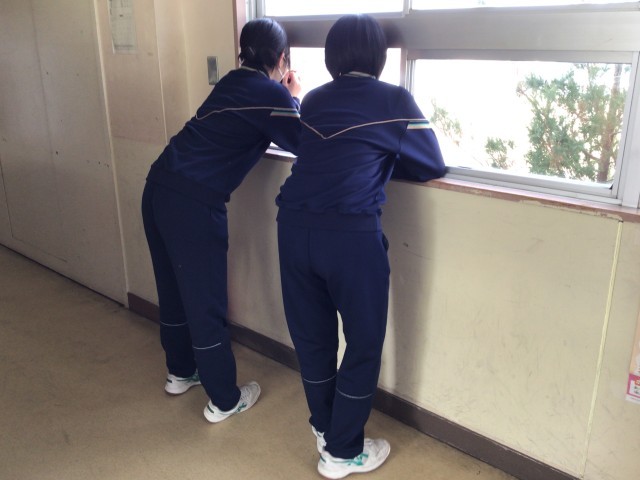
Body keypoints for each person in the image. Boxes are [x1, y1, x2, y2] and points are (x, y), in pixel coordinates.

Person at [276, 14, 445, 479]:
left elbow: (310, 149)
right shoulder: (394, 100)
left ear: (332, 57)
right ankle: (343, 451)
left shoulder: (313, 99)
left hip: (292, 226)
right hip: (350, 236)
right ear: (379, 56)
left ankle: (324, 426)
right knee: (364, 343)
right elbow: (432, 162)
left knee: (312, 339)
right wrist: (385, 161)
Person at [142, 18, 301, 424]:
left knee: (174, 290)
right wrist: (294, 97)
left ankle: (180, 372)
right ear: (282, 59)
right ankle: (225, 400)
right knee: (206, 300)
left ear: (243, 52)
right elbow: (303, 140)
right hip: (192, 203)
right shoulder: (271, 94)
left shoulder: (231, 81)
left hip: (158, 185)